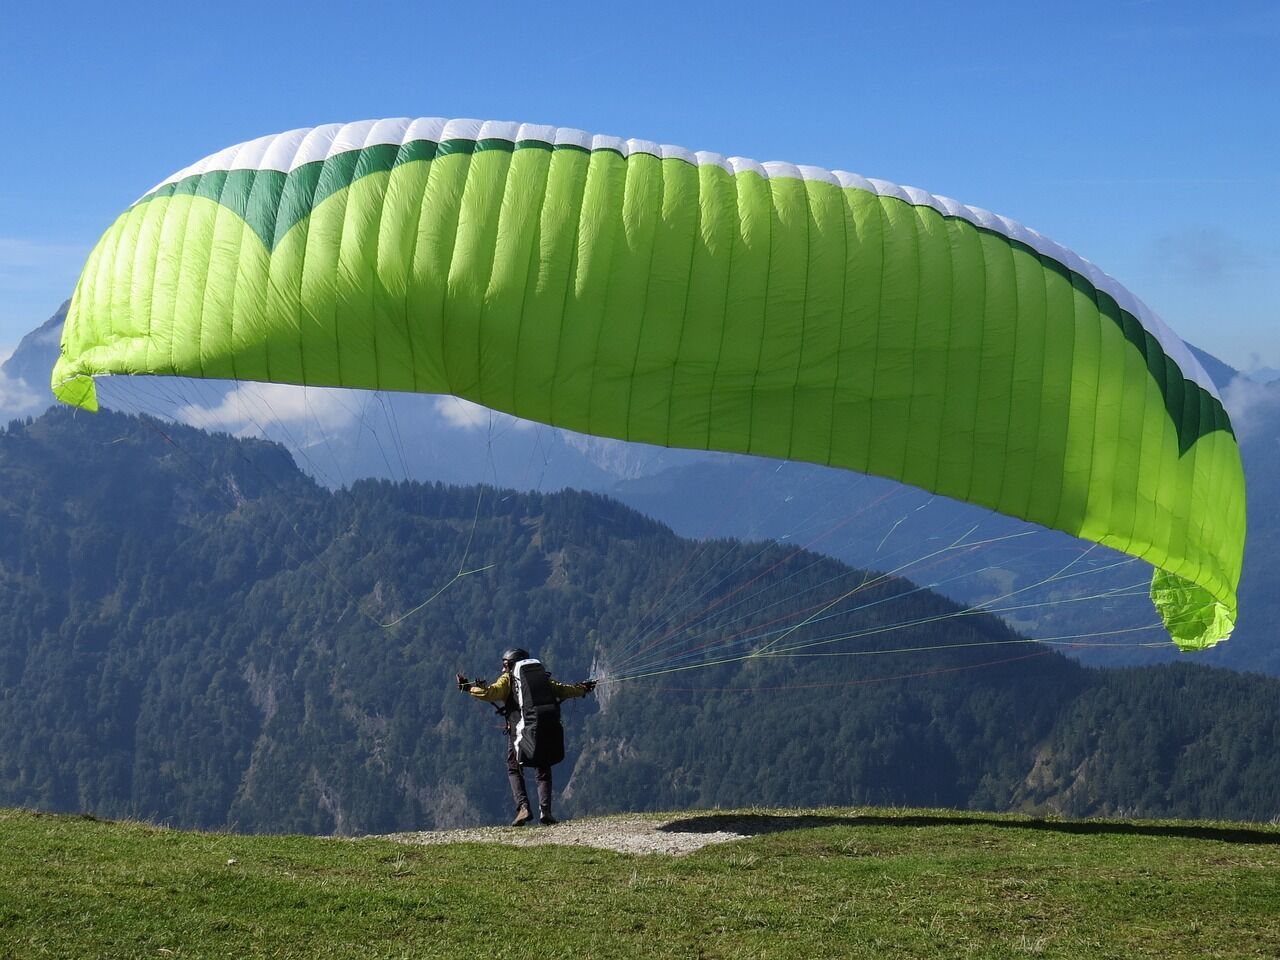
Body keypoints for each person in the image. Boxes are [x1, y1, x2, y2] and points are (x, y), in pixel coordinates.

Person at [457, 648, 596, 826]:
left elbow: (491, 693)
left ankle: (523, 808)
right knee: (543, 768)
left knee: (514, 767)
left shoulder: (509, 678)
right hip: (543, 728)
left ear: (511, 664)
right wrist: (583, 689)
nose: (502, 669)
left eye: (505, 665)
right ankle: (545, 810)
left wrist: (468, 687)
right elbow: (562, 690)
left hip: (519, 731)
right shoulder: (540, 678)